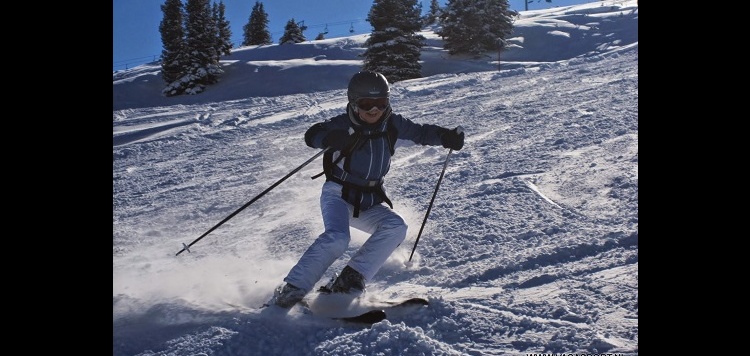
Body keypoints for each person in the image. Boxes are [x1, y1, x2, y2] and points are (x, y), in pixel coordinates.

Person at [273, 71, 464, 308]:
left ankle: (348, 282)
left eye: (380, 104)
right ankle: (290, 291)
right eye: (366, 104)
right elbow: (313, 134)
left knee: (396, 227)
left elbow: (421, 132)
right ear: (353, 103)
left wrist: (445, 136)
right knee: (337, 238)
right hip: (338, 194)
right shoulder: (343, 125)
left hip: (369, 199)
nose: (374, 111)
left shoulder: (392, 124)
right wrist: (329, 138)